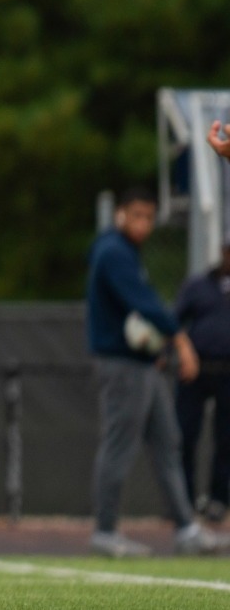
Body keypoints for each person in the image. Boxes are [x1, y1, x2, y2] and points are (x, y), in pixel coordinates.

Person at [85, 186, 224, 557]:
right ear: (120, 214)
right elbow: (142, 303)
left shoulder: (126, 251)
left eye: (149, 217)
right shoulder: (113, 251)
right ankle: (104, 530)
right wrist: (178, 341)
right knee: (119, 445)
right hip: (122, 364)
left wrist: (156, 347)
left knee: (168, 442)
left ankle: (185, 529)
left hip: (142, 362)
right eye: (137, 216)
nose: (144, 224)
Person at [175, 238, 230, 523]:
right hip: (195, 370)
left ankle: (219, 500)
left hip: (228, 372)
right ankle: (183, 500)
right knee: (185, 435)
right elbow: (175, 321)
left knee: (226, 439)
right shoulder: (198, 286)